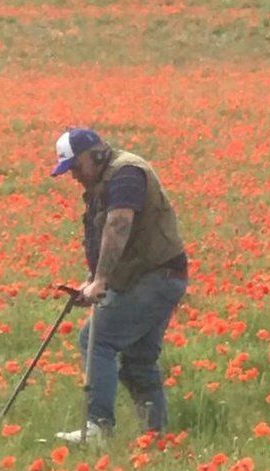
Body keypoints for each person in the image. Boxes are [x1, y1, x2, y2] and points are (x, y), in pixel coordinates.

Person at [48, 128, 188, 443]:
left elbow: (119, 223)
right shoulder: (103, 181)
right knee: (138, 361)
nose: (73, 177)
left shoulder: (126, 174)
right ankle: (156, 437)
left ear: (94, 155)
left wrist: (101, 280)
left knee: (96, 340)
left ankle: (98, 428)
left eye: (74, 167)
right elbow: (105, 236)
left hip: (156, 277)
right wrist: (92, 280)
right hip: (154, 277)